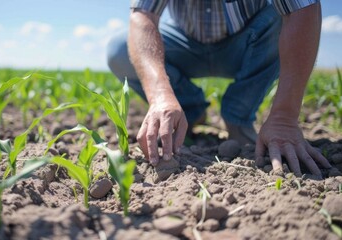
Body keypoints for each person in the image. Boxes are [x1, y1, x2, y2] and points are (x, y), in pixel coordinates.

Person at [106, 0, 332, 177]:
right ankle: (189, 112)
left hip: (249, 41)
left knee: (281, 17)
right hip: (184, 43)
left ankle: (238, 116)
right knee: (119, 49)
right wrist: (160, 95)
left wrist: (284, 117)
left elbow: (301, 9)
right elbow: (143, 16)